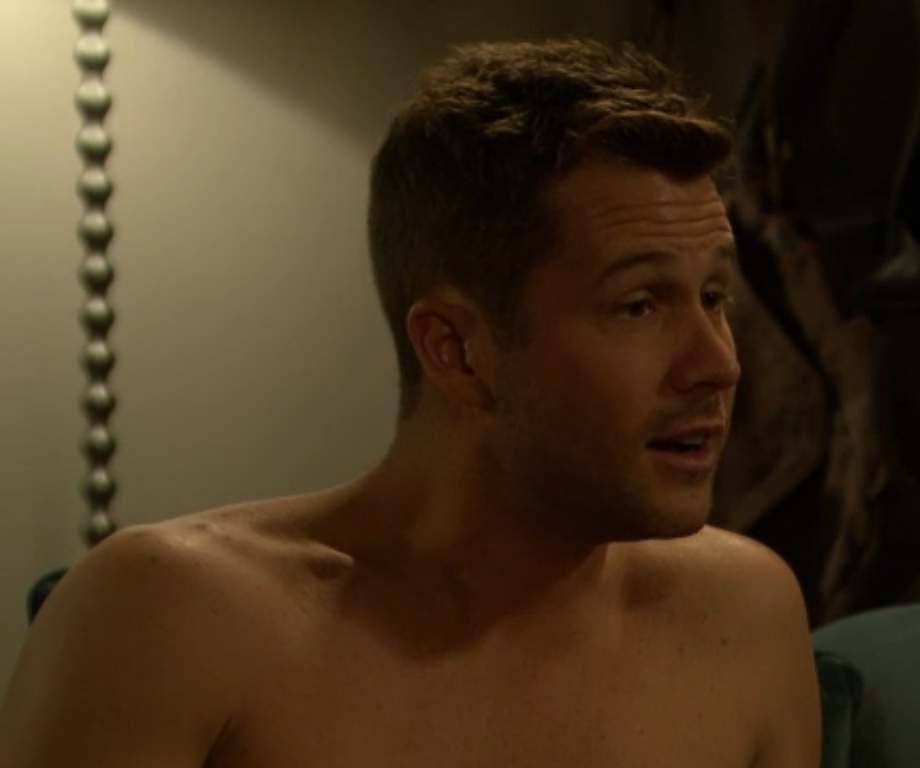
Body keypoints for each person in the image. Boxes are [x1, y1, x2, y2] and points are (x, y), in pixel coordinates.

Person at [0, 39, 822, 767]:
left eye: (714, 297)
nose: (718, 365)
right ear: (456, 350)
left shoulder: (744, 616)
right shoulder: (174, 618)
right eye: (638, 306)